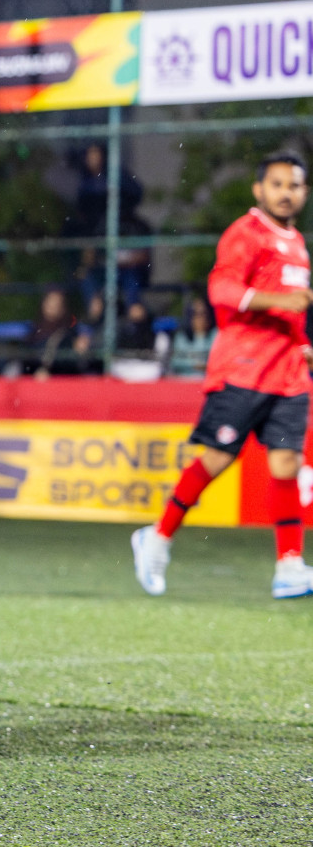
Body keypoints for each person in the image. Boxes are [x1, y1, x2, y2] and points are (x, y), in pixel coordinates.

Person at [132, 152, 313, 600]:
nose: (286, 193)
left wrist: (301, 341)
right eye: (277, 184)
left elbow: (291, 308)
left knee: (286, 464)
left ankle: (289, 566)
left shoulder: (296, 242)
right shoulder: (246, 233)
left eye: (295, 185)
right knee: (216, 458)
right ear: (259, 190)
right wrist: (277, 303)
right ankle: (157, 537)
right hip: (244, 369)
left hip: (289, 372)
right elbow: (222, 289)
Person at [168, 296, 216, 378]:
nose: (200, 318)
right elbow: (175, 362)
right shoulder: (182, 336)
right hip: (185, 380)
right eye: (195, 314)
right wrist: (194, 365)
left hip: (209, 378)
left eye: (203, 313)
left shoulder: (216, 334)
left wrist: (200, 335)